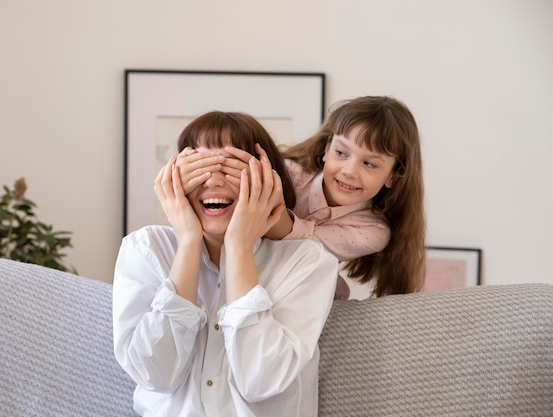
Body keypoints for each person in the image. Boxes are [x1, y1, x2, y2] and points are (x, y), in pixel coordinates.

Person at [113, 111, 339, 417]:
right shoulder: (145, 249)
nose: (215, 180)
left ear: (267, 181)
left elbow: (261, 381)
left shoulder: (308, 263)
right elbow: (155, 375)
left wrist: (239, 247)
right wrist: (189, 242)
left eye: (231, 167)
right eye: (201, 167)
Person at [176, 96, 426, 298]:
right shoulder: (290, 172)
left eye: (370, 164)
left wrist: (266, 193)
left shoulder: (372, 231)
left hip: (301, 294)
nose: (350, 171)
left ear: (394, 176)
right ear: (326, 150)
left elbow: (302, 244)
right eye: (341, 152)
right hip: (242, 278)